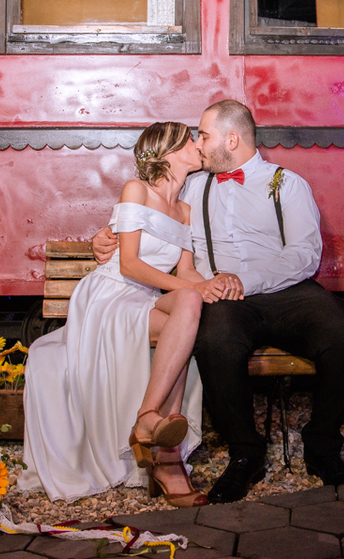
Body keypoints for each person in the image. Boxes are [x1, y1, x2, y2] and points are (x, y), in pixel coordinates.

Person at [93, 100, 344, 503]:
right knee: (216, 340)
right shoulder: (193, 184)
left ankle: (322, 444)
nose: (198, 145)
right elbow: (150, 207)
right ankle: (245, 454)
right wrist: (103, 236)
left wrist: (246, 280)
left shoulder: (286, 184)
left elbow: (305, 253)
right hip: (224, 298)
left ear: (232, 139)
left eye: (203, 136)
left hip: (287, 290)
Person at [18, 122, 209, 507]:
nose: (198, 144)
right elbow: (129, 265)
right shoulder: (137, 190)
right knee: (187, 302)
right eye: (191, 139)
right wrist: (192, 288)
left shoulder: (185, 210)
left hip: (146, 296)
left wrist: (209, 285)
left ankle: (145, 417)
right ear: (168, 151)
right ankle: (168, 462)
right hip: (110, 294)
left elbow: (186, 275)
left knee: (190, 303)